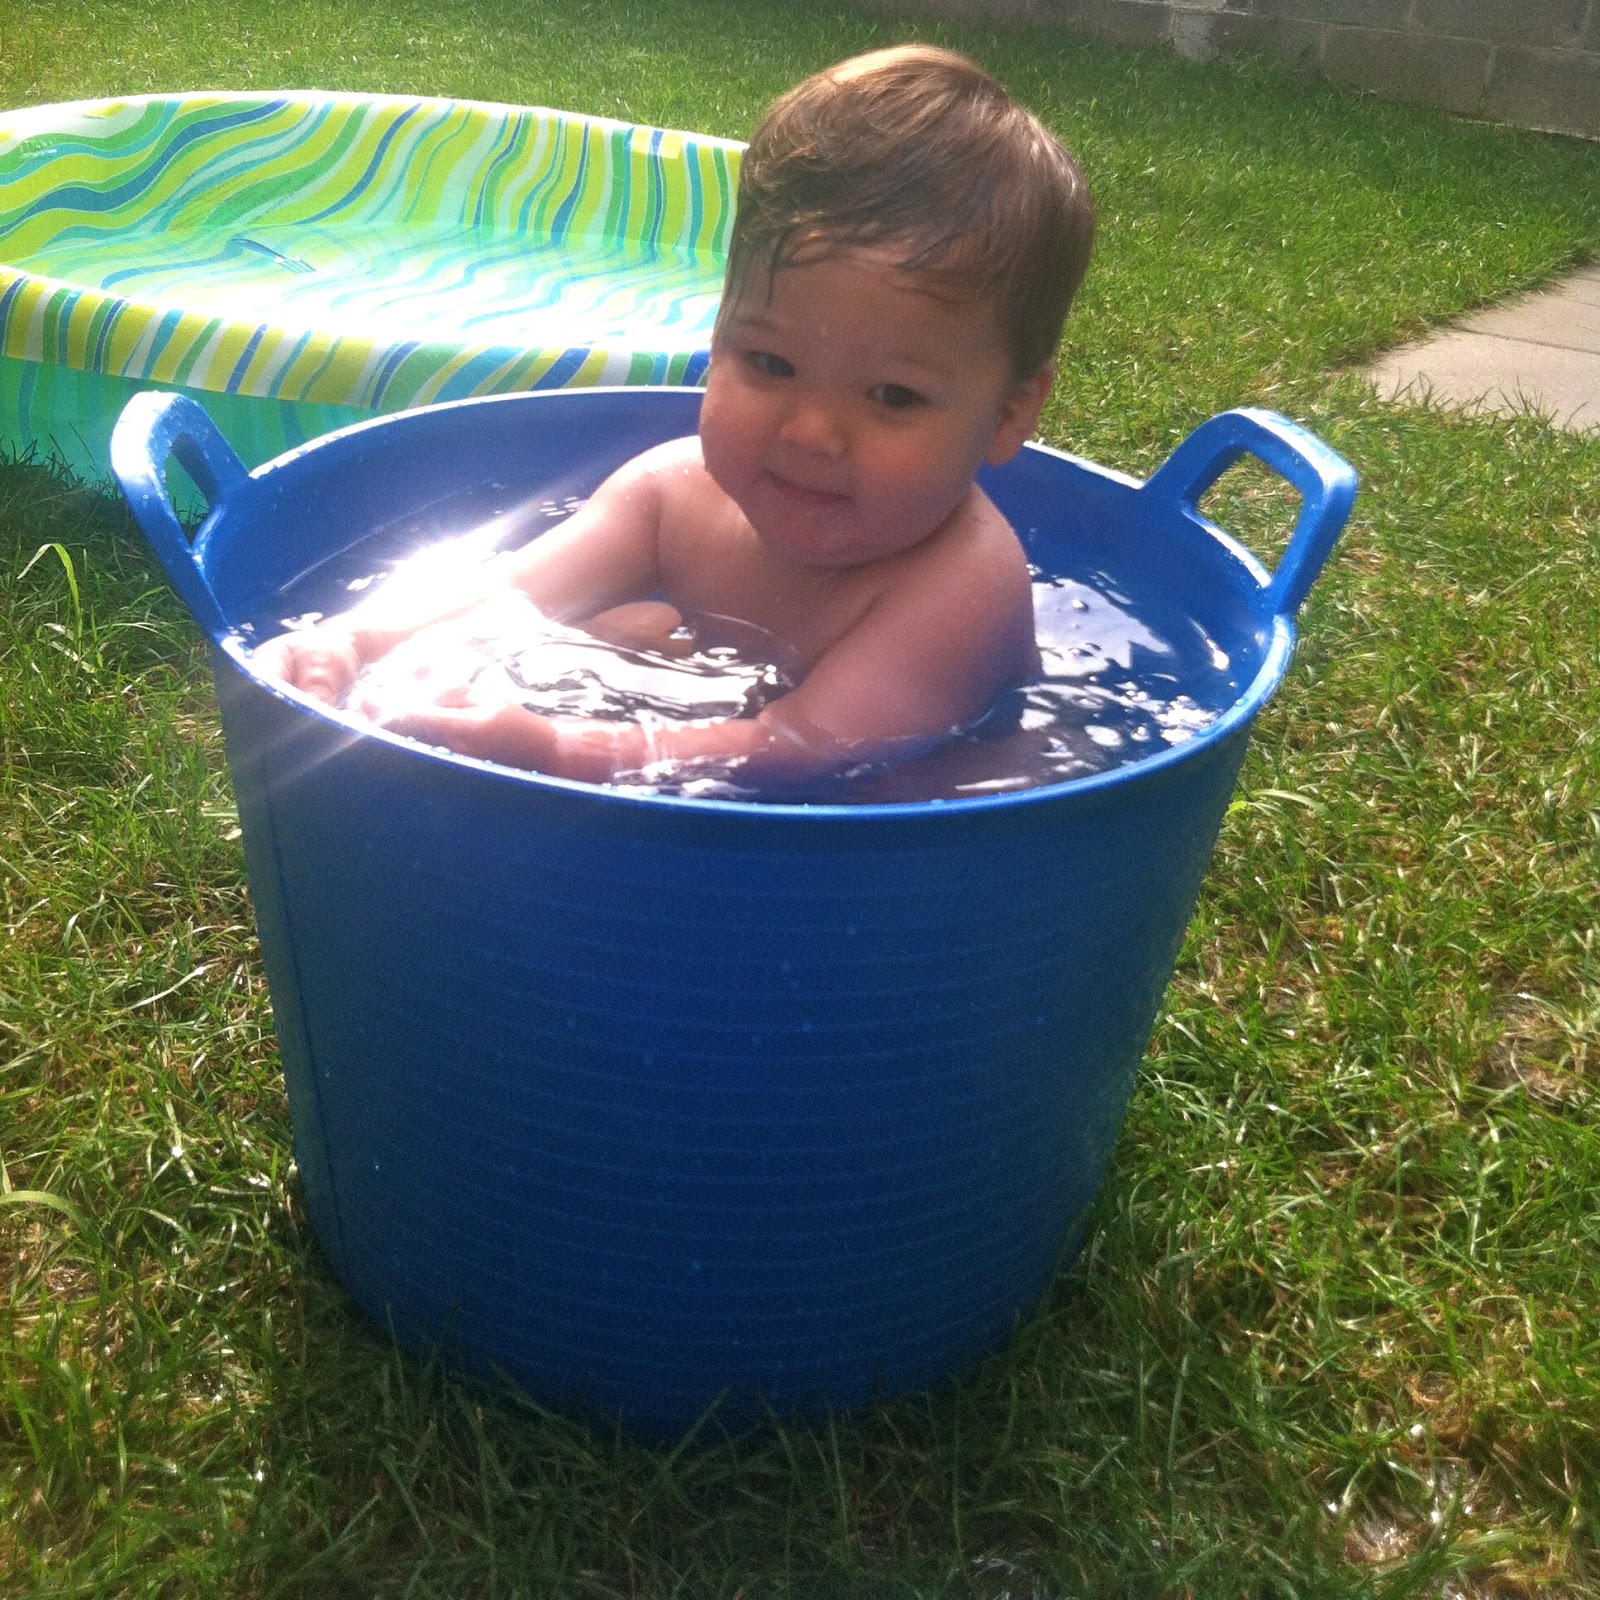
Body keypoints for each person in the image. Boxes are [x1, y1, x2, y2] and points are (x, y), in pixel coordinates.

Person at [254, 44, 1095, 790]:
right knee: (625, 628)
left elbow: (798, 749)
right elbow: (505, 595)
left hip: (908, 795)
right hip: (742, 697)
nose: (810, 433)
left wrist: (557, 749)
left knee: (910, 795)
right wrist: (355, 640)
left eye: (892, 397)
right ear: (719, 335)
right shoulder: (670, 490)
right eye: (769, 364)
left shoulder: (959, 588)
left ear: (1006, 415)